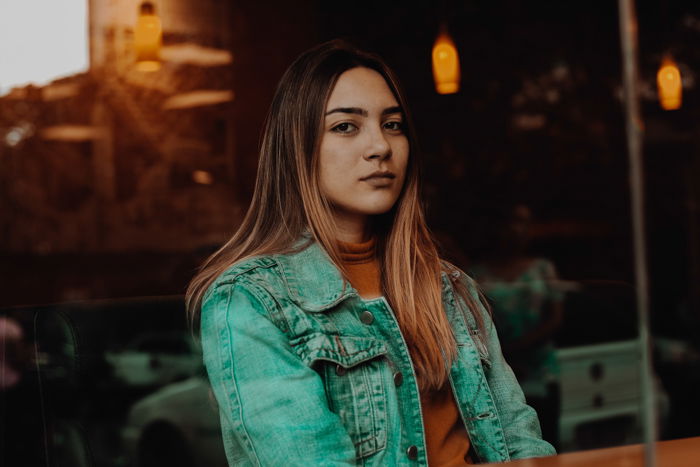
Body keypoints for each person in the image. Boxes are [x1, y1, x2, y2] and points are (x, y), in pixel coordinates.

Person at [186, 40, 555, 466]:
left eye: (393, 124)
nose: (380, 146)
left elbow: (523, 444)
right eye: (346, 126)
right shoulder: (251, 301)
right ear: (297, 147)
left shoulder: (448, 286)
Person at [470, 204, 565, 449]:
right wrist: (501, 352)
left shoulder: (543, 268)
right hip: (496, 372)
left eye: (524, 223)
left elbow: (555, 318)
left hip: (541, 370)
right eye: (511, 222)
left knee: (547, 438)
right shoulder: (476, 274)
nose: (517, 230)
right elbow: (472, 325)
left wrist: (517, 347)